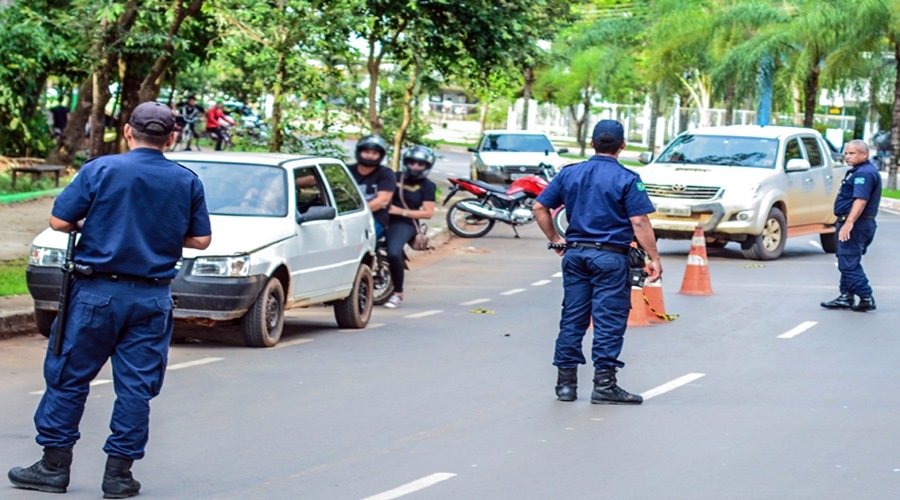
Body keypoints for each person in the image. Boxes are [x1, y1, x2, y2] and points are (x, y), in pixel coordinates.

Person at [8, 101, 212, 498]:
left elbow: (59, 222)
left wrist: (96, 223)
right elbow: (201, 239)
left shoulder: (101, 169)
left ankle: (53, 468)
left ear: (127, 131)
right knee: (136, 387)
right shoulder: (187, 181)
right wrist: (162, 235)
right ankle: (118, 475)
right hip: (152, 298)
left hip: (96, 294)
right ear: (172, 137)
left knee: (68, 378)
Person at [533, 119, 662, 405]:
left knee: (573, 317)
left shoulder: (570, 173)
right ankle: (604, 386)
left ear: (592, 143)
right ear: (623, 146)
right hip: (610, 258)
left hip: (575, 255)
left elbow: (540, 206)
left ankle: (565, 386)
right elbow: (639, 221)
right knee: (608, 319)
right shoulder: (627, 178)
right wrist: (653, 257)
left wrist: (556, 238)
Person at [820, 139, 881, 312]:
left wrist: (849, 222)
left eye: (852, 153)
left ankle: (866, 296)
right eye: (846, 153)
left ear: (864, 154)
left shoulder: (864, 174)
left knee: (847, 262)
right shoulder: (859, 171)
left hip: (857, 224)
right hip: (857, 223)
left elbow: (861, 200)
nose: (847, 156)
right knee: (847, 258)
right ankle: (845, 296)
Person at [383, 146, 437, 308]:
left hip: (403, 223)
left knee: (393, 252)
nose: (415, 167)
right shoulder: (393, 177)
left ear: (426, 166)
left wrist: (401, 211)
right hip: (381, 218)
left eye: (420, 164)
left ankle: (398, 293)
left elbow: (428, 213)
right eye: (412, 162)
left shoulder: (428, 186)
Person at [349, 134, 395, 238]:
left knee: (356, 239)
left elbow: (382, 200)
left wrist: (354, 215)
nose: (370, 156)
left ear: (380, 155)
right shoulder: (347, 170)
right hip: (344, 218)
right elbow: (318, 180)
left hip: (374, 218)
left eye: (374, 153)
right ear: (359, 152)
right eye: (366, 152)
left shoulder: (386, 174)